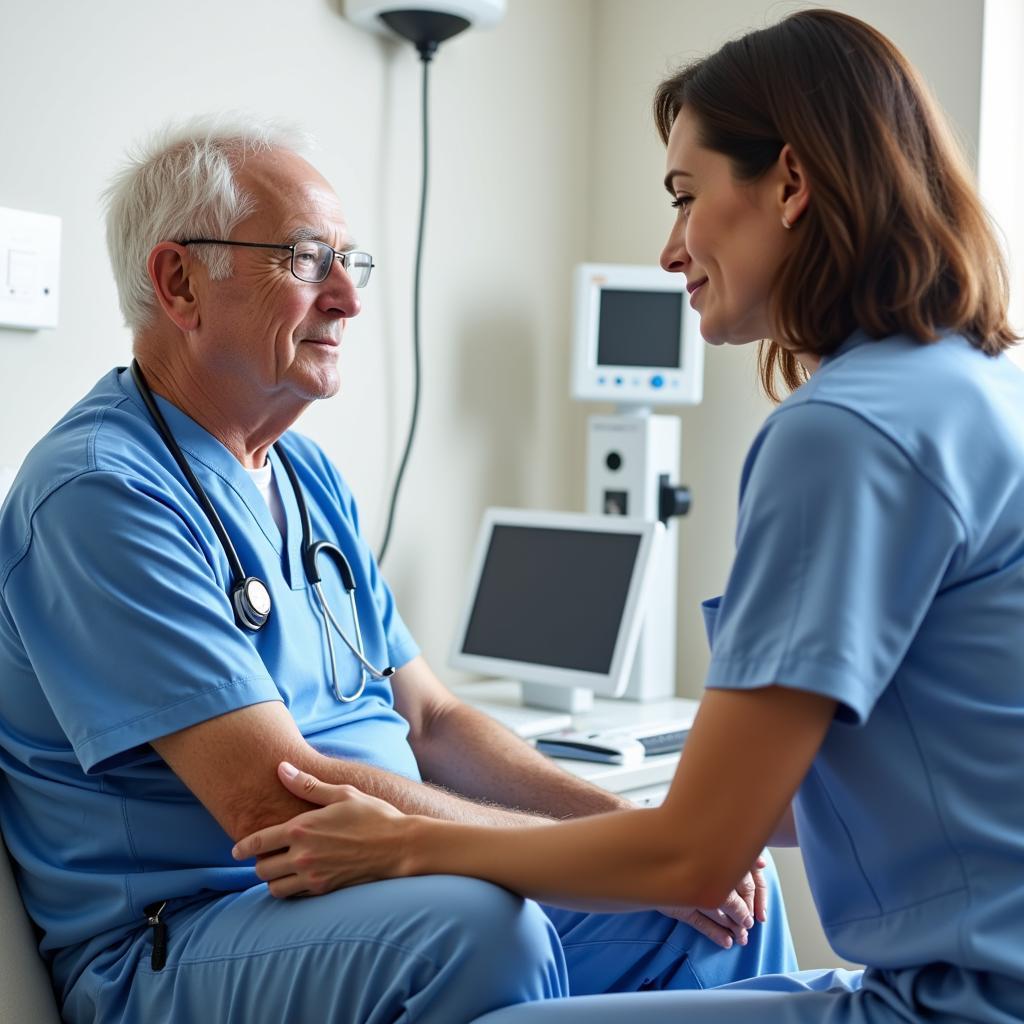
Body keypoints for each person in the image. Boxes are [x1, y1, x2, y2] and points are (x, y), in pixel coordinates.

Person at [232, 9, 1024, 1024]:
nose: (670, 248)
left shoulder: (847, 434)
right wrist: (636, 817)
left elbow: (694, 850)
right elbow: (892, 773)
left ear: (790, 183)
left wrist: (406, 839)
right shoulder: (977, 388)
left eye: (686, 197)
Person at [0, 116, 796, 1024]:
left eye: (351, 262)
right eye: (306, 260)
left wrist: (648, 839)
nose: (348, 297)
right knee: (482, 927)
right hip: (187, 933)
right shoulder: (99, 495)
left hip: (371, 892)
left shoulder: (302, 473)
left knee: (722, 905)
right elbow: (274, 799)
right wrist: (607, 857)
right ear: (179, 281)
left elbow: (435, 718)